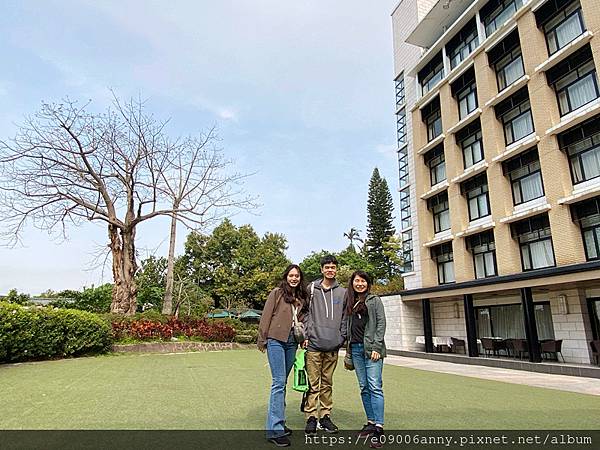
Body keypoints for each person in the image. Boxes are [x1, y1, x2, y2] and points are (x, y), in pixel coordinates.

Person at [258, 264, 309, 447]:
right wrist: (262, 340)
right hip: (276, 340)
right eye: (291, 275)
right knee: (278, 383)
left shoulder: (301, 297)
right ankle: (274, 430)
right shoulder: (277, 293)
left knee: (282, 383)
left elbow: (302, 319)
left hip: (291, 342)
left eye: (297, 276)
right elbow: (266, 316)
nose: (294, 278)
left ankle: (278, 422)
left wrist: (303, 337)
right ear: (286, 276)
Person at [303, 255, 347, 435]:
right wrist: (306, 334)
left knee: (327, 383)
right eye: (327, 267)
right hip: (313, 345)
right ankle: (311, 417)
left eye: (333, 267)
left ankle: (325, 415)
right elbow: (304, 313)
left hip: (333, 346)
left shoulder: (343, 292)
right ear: (321, 269)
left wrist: (341, 337)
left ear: (336, 270)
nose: (330, 270)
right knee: (313, 384)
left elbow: (345, 317)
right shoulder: (311, 289)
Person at [345, 270, 386, 446]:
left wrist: (377, 346)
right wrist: (347, 351)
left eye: (363, 281)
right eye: (356, 281)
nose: (359, 283)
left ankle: (379, 427)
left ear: (367, 284)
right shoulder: (351, 302)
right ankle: (370, 422)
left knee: (375, 386)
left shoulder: (374, 300)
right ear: (352, 283)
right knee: (364, 387)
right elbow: (348, 326)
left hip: (372, 350)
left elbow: (381, 323)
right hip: (355, 349)